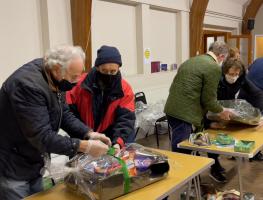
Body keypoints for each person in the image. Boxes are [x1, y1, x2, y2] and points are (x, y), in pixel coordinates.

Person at [0, 45, 111, 200]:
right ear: (57, 68)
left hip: (33, 160)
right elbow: (42, 137)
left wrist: (89, 134)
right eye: (73, 77)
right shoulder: (27, 85)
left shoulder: (54, 77)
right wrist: (85, 146)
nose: (76, 81)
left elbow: (64, 114)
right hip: (12, 165)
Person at [164, 41, 234, 154]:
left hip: (171, 109)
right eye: (223, 59)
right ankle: (182, 170)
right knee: (182, 148)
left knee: (179, 143)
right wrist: (222, 111)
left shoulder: (191, 60)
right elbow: (209, 100)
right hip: (184, 113)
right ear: (221, 56)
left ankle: (182, 168)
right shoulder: (213, 67)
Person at [66, 45, 135, 153]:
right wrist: (84, 136)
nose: (109, 74)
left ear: (118, 69)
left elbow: (126, 119)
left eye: (113, 71)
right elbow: (69, 115)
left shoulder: (125, 89)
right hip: (84, 135)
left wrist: (118, 143)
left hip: (111, 137)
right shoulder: (79, 85)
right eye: (104, 70)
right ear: (97, 67)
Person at [206, 58, 263, 182]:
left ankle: (216, 164)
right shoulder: (214, 78)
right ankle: (214, 167)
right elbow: (206, 101)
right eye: (231, 74)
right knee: (212, 136)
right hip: (211, 107)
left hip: (226, 107)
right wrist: (210, 121)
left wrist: (259, 115)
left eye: (236, 74)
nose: (234, 77)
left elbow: (257, 93)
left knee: (224, 134)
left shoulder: (241, 77)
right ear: (224, 71)